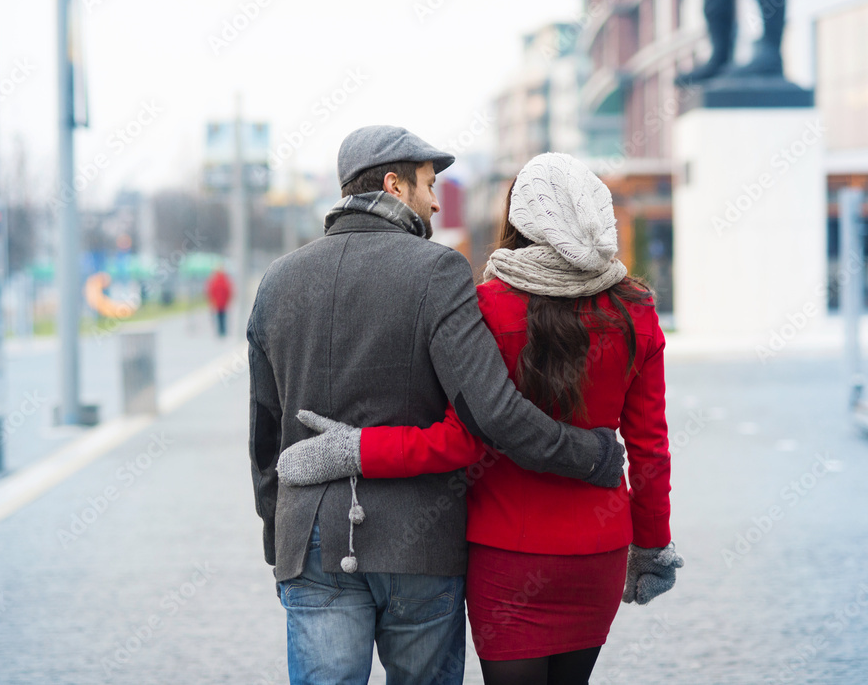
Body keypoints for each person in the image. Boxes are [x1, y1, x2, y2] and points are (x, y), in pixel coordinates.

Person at [278, 153, 683, 685]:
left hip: (506, 555)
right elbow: (651, 447)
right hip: (599, 549)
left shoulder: (486, 307)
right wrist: (652, 545)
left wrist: (354, 449)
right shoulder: (636, 310)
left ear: (519, 220)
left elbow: (461, 440)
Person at [206, 266, 233, 337]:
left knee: (218, 317)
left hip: (217, 302)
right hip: (223, 302)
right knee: (223, 317)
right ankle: (223, 330)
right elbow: (228, 291)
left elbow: (211, 291)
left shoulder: (214, 280)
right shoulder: (225, 280)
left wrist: (212, 301)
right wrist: (228, 300)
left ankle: (220, 331)